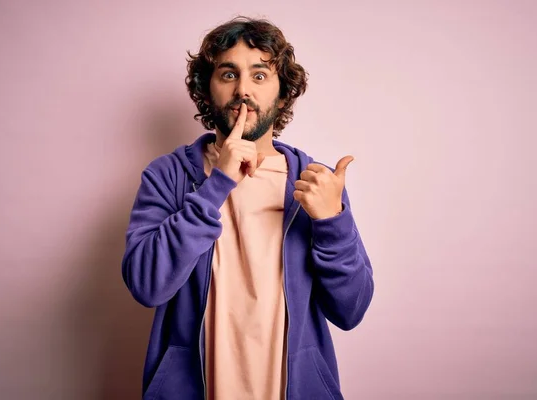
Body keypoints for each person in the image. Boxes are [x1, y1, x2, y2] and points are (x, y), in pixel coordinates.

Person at [122, 16, 374, 400]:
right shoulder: (168, 175)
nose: (243, 90)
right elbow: (146, 284)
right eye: (228, 75)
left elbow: (350, 310)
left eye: (259, 76)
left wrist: (332, 221)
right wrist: (216, 185)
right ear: (207, 91)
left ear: (283, 93)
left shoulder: (315, 183)